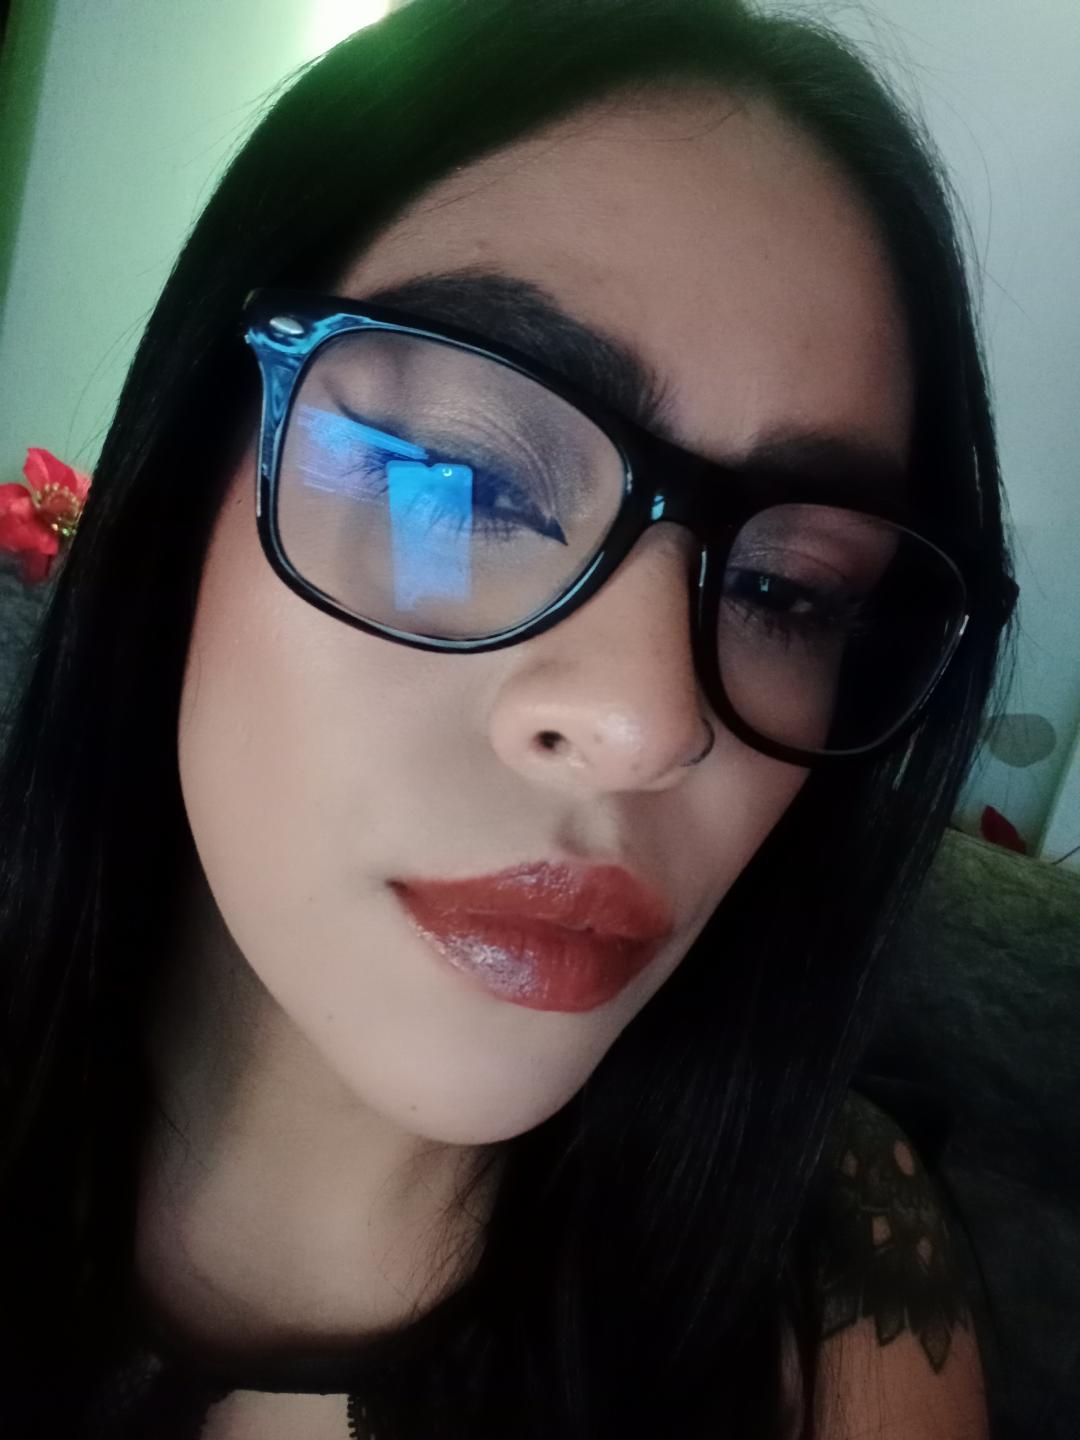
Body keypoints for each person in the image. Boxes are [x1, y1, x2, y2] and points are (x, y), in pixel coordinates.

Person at [0, 0, 1018, 1435]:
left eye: (791, 593)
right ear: (180, 496)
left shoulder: (837, 1317)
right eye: (463, 481)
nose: (649, 721)